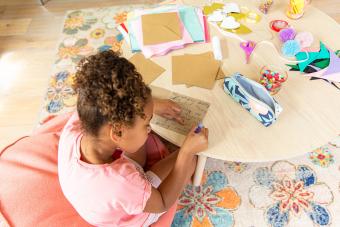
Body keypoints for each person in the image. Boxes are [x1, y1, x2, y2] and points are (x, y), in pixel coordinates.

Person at [58, 50, 209, 226]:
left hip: (98, 191)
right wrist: (185, 152)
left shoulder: (79, 125)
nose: (150, 129)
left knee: (139, 146)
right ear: (118, 133)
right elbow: (162, 202)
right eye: (147, 124)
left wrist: (153, 106)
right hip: (132, 212)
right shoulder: (122, 181)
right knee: (191, 161)